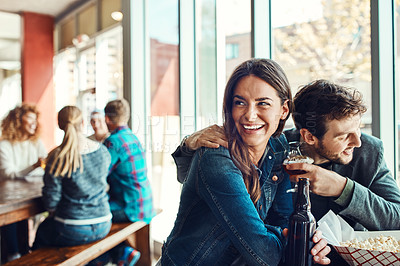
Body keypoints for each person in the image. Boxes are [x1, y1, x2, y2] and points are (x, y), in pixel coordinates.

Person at [176, 79, 400, 265]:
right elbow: (205, 180)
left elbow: (396, 218)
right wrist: (188, 145)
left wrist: (343, 188)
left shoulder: (369, 152)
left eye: (358, 129)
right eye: (343, 136)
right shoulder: (275, 147)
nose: (358, 142)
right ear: (309, 137)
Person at [161, 59, 330, 265]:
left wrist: (305, 241)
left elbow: (284, 220)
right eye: (240, 102)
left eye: (263, 103)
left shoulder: (278, 148)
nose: (250, 115)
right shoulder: (216, 157)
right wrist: (295, 241)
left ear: (284, 110)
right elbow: (265, 255)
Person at [33, 106, 112, 249]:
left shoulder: (56, 157)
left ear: (60, 125)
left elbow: (51, 202)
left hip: (73, 228)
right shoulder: (103, 151)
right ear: (82, 122)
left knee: (41, 233)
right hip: (104, 223)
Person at [103, 99, 155, 265]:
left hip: (129, 207)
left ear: (107, 119)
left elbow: (99, 174)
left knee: (92, 216)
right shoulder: (133, 137)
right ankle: (120, 253)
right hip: (145, 203)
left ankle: (118, 253)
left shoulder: (112, 142)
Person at [0, 103, 47, 262]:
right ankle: (14, 254)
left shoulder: (36, 142)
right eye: (30, 118)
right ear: (18, 120)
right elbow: (8, 174)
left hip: (30, 195)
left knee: (25, 221)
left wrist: (33, 169)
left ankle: (22, 254)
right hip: (9, 197)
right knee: (12, 216)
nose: (35, 122)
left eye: (36, 119)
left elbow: (45, 168)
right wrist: (34, 167)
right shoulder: (4, 146)